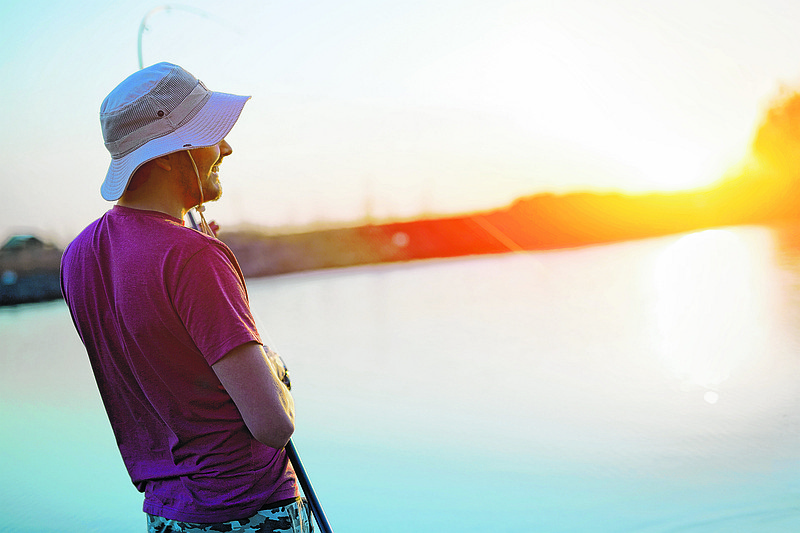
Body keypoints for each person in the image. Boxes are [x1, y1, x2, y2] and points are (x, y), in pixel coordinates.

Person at [60, 62, 310, 532]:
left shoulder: (77, 259)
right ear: (173, 154)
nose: (227, 146)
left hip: (167, 517)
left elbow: (162, 363)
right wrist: (277, 368)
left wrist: (200, 263)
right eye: (213, 135)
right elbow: (273, 426)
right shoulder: (194, 257)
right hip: (248, 511)